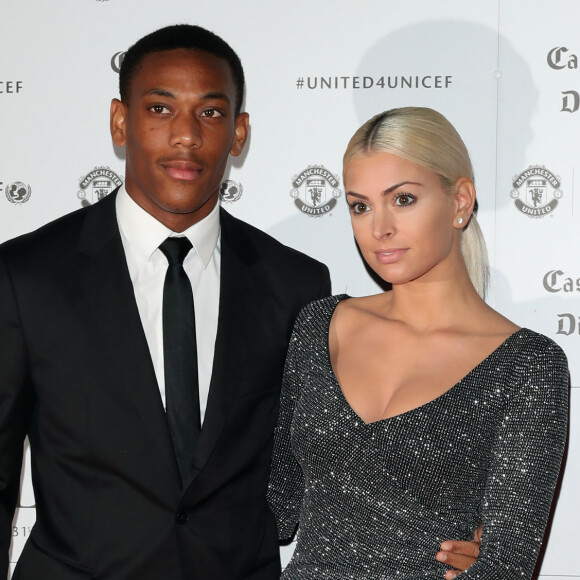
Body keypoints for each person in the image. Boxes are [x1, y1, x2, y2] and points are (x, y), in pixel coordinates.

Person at [0, 25, 481, 578]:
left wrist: (446, 539)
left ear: (239, 132)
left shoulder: (296, 284)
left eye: (209, 113)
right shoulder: (26, 276)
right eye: (160, 109)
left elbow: (323, 470)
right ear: (119, 120)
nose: (186, 137)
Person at [268, 107, 569, 579]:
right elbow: (276, 503)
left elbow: (507, 566)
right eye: (360, 205)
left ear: (460, 201)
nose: (378, 228)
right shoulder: (319, 326)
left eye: (403, 199)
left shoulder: (527, 367)